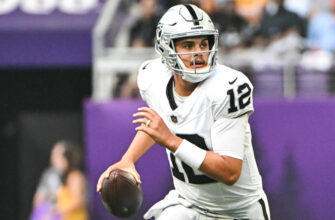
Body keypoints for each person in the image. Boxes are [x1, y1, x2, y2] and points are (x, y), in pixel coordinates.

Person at [97, 4, 270, 220]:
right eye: (188, 45)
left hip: (237, 211)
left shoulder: (227, 88)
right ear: (166, 48)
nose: (198, 53)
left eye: (203, 43)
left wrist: (171, 141)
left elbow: (230, 172)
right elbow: (158, 122)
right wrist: (128, 159)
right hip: (189, 205)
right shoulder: (154, 78)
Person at [55, 140, 89, 220]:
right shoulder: (65, 177)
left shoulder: (75, 176)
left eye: (59, 158)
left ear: (67, 159)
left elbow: (79, 200)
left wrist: (60, 210)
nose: (57, 161)